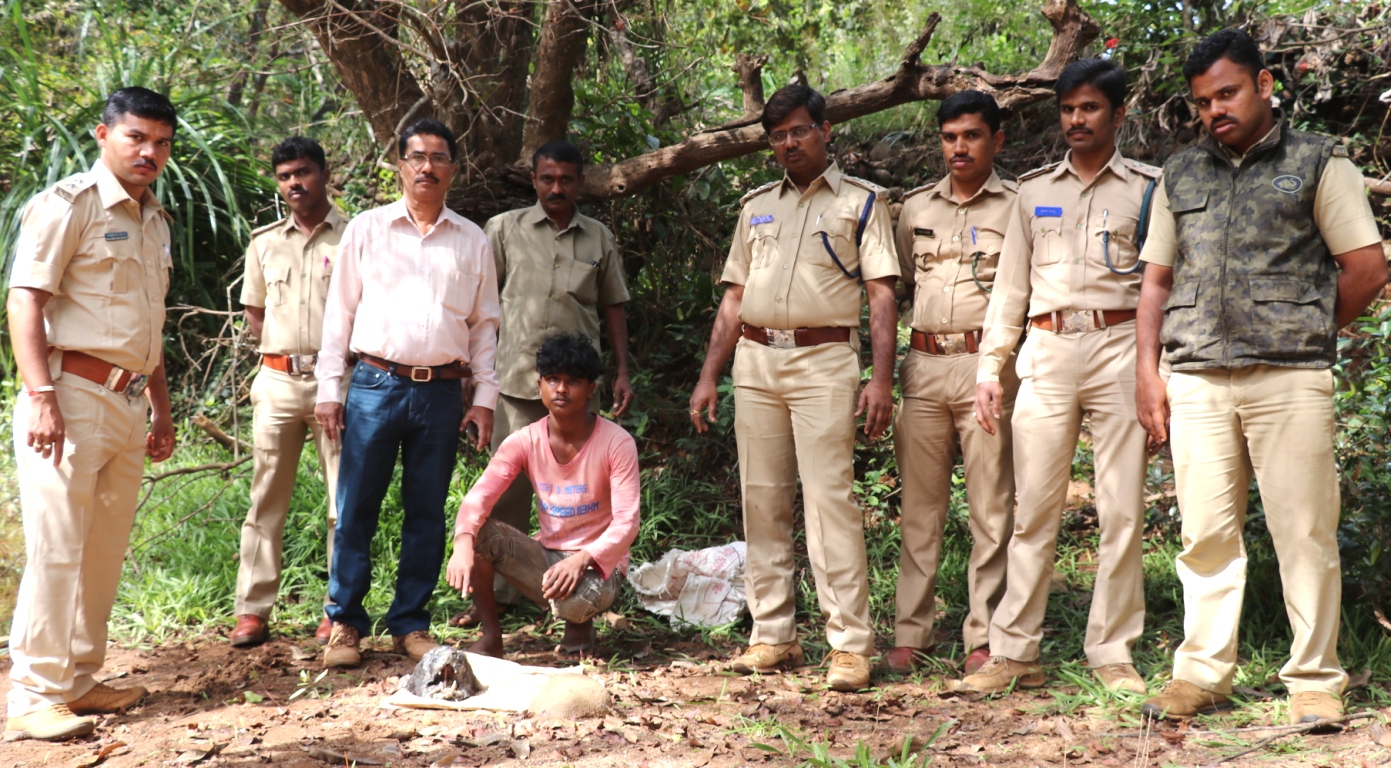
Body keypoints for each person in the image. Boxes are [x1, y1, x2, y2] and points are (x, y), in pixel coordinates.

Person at [1135, 29, 1385, 724]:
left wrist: (1302, 325)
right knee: (1204, 533)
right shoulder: (1179, 173)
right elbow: (1154, 283)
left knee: (1302, 531)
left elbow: (1365, 268)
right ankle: (1201, 674)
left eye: (1226, 93)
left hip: (1289, 378)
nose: (1214, 109)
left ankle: (1313, 681)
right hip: (1196, 380)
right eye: (1201, 101)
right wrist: (1145, 375)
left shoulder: (1314, 160)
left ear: (1263, 85)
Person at [688, 84, 900, 692]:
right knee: (762, 498)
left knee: (830, 502)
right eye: (778, 135)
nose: (789, 143)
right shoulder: (756, 205)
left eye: (800, 130)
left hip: (824, 360)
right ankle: (773, 635)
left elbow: (882, 293)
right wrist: (709, 377)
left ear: (825, 130)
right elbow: (734, 297)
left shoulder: (861, 202)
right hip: (756, 362)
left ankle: (850, 646)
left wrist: (880, 379)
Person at [963, 59, 1160, 695]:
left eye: (1090, 108)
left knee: (1121, 508)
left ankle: (1113, 652)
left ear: (1119, 113)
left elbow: (1165, 288)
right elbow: (1009, 291)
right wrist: (991, 366)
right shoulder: (1032, 192)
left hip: (1120, 347)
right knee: (1033, 508)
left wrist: (1158, 372)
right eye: (1068, 109)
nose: (1076, 119)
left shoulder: (1150, 190)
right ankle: (1015, 652)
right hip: (1045, 352)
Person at [5, 87, 178, 741]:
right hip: (68, 396)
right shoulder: (66, 205)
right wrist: (42, 395)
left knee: (102, 550)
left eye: (161, 142)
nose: (149, 152)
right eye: (137, 137)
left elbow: (150, 328)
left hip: (128, 402)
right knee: (56, 548)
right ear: (103, 134)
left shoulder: (154, 220)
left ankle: (77, 678)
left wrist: (160, 412)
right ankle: (32, 696)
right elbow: (24, 301)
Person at [314, 118, 500, 668]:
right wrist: (330, 388)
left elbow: (484, 325)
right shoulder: (368, 230)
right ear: (399, 165)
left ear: (453, 170)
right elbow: (339, 313)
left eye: (438, 158)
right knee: (356, 508)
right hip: (374, 384)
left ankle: (410, 624)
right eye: (416, 157)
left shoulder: (471, 239)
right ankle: (346, 622)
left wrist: (484, 399)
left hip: (441, 393)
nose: (426, 167)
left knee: (426, 511)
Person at [454, 140, 633, 622]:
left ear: (580, 183)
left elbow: (613, 305)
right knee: (505, 493)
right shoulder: (504, 230)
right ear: (534, 181)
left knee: (580, 493)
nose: (557, 188)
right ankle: (493, 602)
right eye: (547, 179)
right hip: (514, 382)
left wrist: (621, 370)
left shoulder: (597, 237)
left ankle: (571, 585)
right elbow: (481, 308)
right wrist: (474, 375)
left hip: (577, 386)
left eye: (567, 179)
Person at [886, 90, 1018, 675]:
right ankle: (911, 632)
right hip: (923, 366)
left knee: (990, 508)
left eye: (970, 135)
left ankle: (983, 635)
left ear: (996, 139)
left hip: (986, 365)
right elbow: (899, 285)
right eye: (948, 136)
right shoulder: (915, 209)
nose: (958, 147)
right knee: (920, 507)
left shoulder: (1019, 206)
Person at [446, 332, 640, 658]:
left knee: (580, 600)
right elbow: (480, 496)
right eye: (552, 379)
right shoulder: (524, 440)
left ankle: (580, 626)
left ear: (591, 389)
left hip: (597, 568)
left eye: (573, 381)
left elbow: (627, 523)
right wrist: (462, 541)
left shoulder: (616, 443)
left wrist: (581, 560)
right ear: (539, 386)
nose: (561, 389)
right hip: (547, 561)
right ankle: (492, 636)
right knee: (480, 533)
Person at [230, 137, 346, 649]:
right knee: (266, 498)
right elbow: (254, 312)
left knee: (341, 501)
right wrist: (284, 356)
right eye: (284, 176)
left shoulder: (355, 235)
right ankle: (253, 611)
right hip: (276, 381)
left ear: (323, 173)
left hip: (335, 383)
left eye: (302, 172)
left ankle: (337, 608)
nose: (294, 184)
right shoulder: (264, 242)